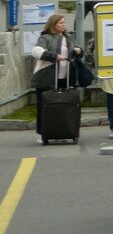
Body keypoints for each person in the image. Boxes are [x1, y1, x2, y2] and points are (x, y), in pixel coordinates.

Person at [31, 13, 83, 143]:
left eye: (64, 23)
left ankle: (61, 130)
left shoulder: (69, 38)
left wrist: (78, 50)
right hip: (47, 77)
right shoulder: (46, 37)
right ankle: (43, 132)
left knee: (62, 105)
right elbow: (37, 51)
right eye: (61, 23)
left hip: (65, 77)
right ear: (53, 25)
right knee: (44, 106)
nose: (64, 25)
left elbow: (79, 51)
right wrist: (54, 56)